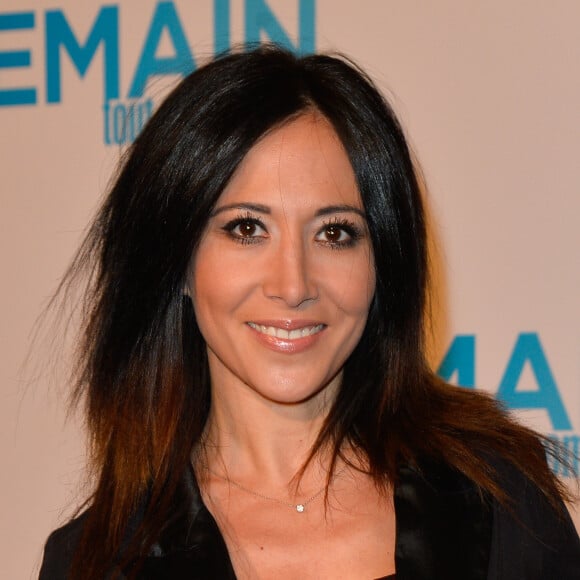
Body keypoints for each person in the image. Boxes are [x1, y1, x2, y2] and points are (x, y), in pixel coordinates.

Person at [39, 44, 579, 579]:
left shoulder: (501, 502)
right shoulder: (96, 562)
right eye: (247, 228)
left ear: (382, 262)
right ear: (176, 261)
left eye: (334, 233)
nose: (293, 284)